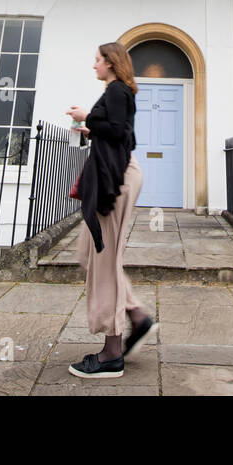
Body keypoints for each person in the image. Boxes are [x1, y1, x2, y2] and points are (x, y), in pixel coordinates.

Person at [64, 42, 156, 378]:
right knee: (89, 253)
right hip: (118, 172)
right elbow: (121, 135)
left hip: (116, 179)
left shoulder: (117, 91)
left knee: (104, 260)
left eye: (98, 60)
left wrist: (87, 117)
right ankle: (135, 315)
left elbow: (119, 133)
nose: (94, 66)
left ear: (112, 63)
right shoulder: (117, 92)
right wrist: (92, 129)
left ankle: (111, 352)